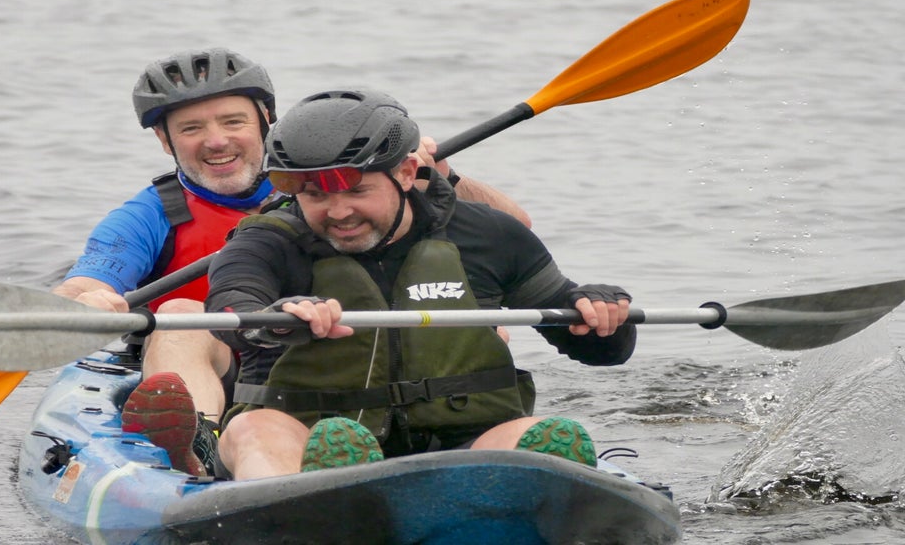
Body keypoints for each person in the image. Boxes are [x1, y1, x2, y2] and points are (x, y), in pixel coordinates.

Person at [53, 48, 531, 477]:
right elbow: (84, 283)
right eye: (192, 128)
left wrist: (442, 175)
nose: (216, 141)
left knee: (476, 322)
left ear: (266, 120)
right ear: (165, 140)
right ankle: (201, 442)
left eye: (232, 122)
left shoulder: (344, 182)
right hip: (229, 367)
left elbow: (515, 238)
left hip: (347, 357)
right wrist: (86, 302)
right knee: (181, 314)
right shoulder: (147, 216)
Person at [204, 89, 635, 480]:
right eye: (315, 195)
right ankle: (301, 504)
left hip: (464, 444)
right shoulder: (268, 241)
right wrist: (275, 318)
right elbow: (231, 304)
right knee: (254, 427)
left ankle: (512, 503)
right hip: (303, 434)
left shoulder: (488, 235)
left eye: (357, 191)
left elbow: (602, 352)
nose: (338, 212)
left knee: (543, 434)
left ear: (408, 173)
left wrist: (600, 313)